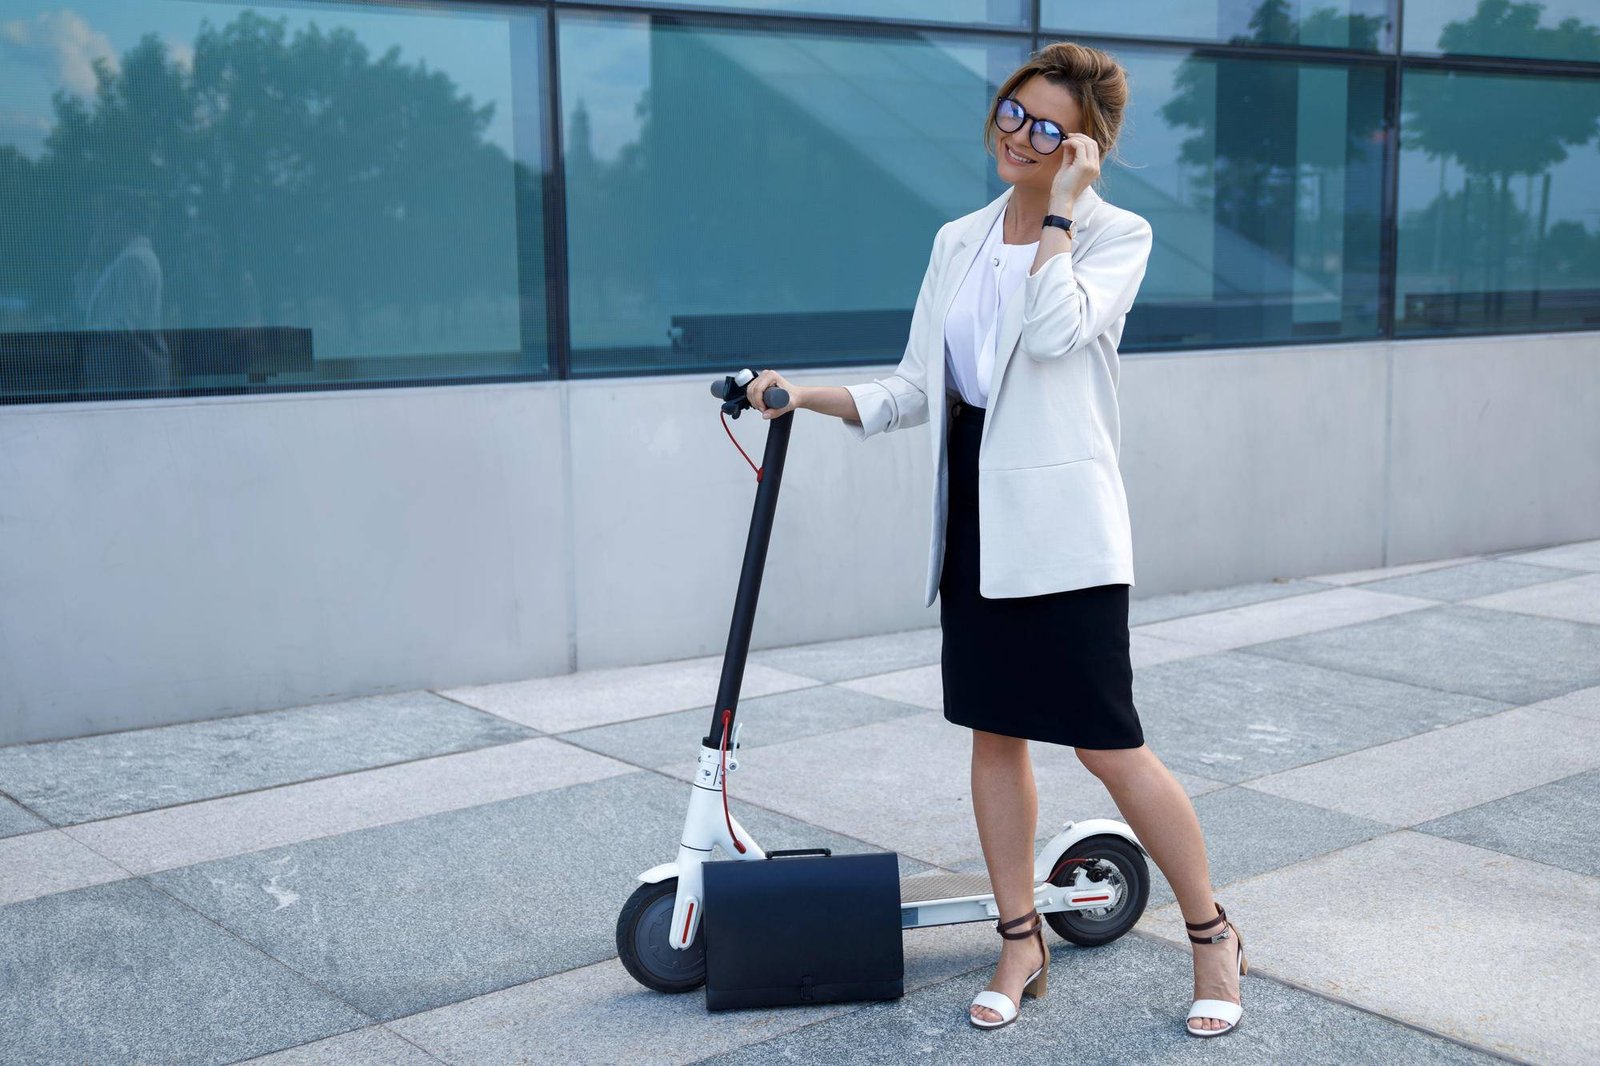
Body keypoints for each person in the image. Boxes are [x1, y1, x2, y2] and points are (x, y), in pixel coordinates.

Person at [743, 42, 1246, 1038]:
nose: (1020, 136)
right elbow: (916, 387)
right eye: (1014, 113)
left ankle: (1212, 931)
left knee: (1110, 746)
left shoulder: (1117, 233)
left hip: (1063, 531)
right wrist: (802, 391)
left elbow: (1057, 334)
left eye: (1049, 128)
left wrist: (1060, 211)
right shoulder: (956, 239)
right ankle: (1020, 938)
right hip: (974, 516)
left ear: (1085, 148)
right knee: (994, 733)